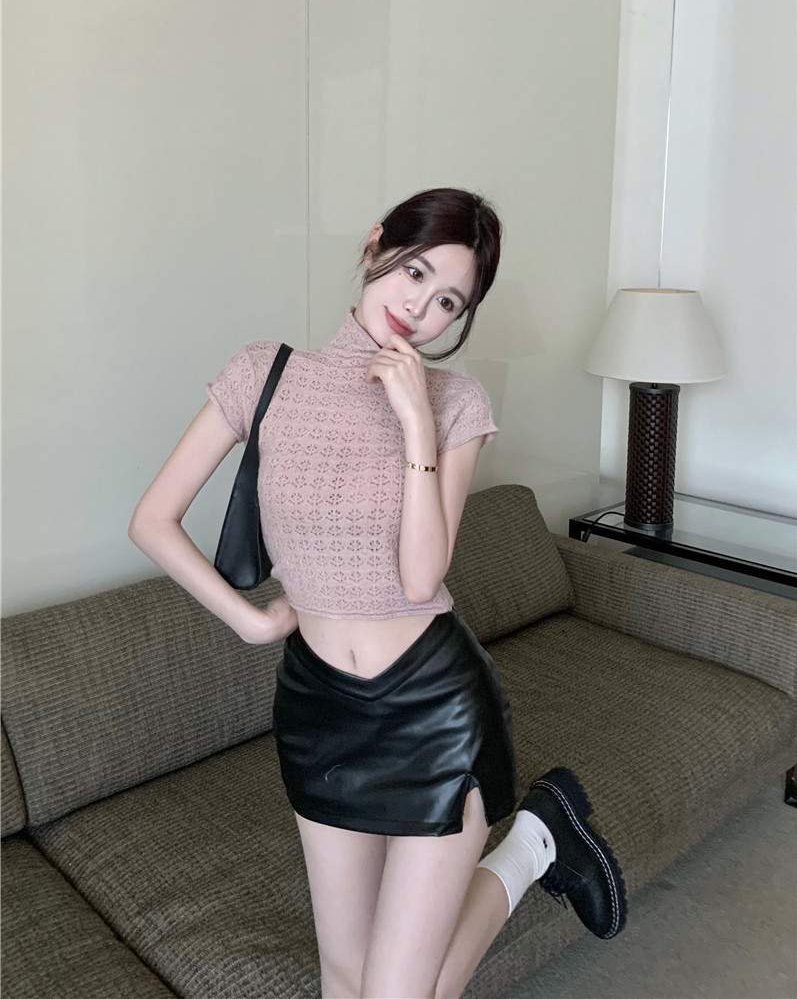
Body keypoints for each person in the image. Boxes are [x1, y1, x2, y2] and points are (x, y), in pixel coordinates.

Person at [129, 186, 627, 999]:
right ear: (375, 246)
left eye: (448, 301)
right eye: (415, 272)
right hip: (318, 711)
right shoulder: (263, 373)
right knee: (346, 977)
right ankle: (541, 838)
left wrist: (417, 424)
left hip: (434, 710)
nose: (420, 308)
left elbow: (420, 577)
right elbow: (152, 520)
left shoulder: (455, 402)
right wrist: (249, 623)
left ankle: (532, 844)